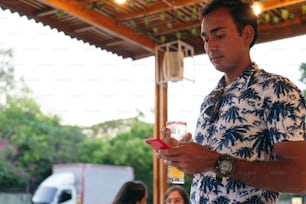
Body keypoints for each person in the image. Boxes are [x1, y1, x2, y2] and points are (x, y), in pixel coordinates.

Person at [157, 0, 306, 203]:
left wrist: (214, 161)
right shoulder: (210, 100)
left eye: (219, 35)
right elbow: (210, 178)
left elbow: (300, 178)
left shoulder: (276, 90)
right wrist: (187, 159)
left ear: (246, 35)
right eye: (205, 38)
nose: (210, 46)